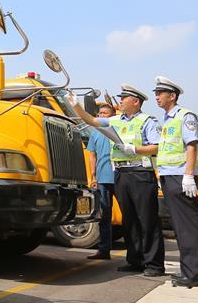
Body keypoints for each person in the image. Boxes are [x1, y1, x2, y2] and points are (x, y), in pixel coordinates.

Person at [68, 85, 165, 277]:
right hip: (121, 174)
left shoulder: (147, 121)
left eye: (124, 98)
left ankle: (154, 264)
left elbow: (156, 147)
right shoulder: (115, 120)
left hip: (140, 174)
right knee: (129, 221)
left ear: (135, 101)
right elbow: (92, 120)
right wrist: (75, 105)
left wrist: (134, 149)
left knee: (147, 220)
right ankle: (135, 261)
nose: (120, 100)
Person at [153, 76, 198, 288]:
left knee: (188, 227)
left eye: (160, 93)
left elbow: (192, 146)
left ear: (172, 96)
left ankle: (194, 274)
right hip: (169, 177)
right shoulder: (167, 119)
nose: (156, 96)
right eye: (156, 93)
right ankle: (190, 272)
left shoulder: (185, 116)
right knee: (180, 227)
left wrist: (188, 175)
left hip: (181, 177)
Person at [86, 103, 116, 260]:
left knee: (130, 215)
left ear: (113, 115)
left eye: (105, 113)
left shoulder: (118, 129)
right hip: (102, 179)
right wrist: (93, 176)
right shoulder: (95, 133)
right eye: (100, 113)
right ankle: (104, 250)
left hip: (119, 177)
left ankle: (137, 253)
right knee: (104, 215)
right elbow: (92, 155)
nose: (102, 115)